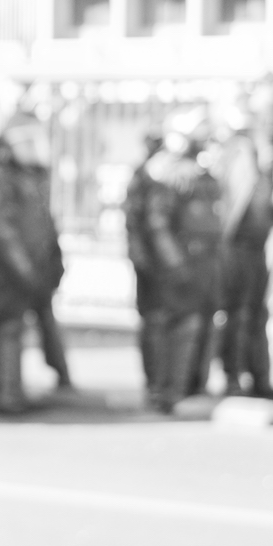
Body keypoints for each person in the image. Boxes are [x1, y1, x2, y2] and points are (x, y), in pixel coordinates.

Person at [0, 110, 71, 415]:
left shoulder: (32, 178)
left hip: (35, 267)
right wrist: (24, 269)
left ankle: (51, 379)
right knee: (9, 330)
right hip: (10, 273)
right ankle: (6, 395)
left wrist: (54, 261)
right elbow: (3, 232)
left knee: (37, 326)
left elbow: (45, 224)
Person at [143, 106, 223, 414]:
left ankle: (191, 388)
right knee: (178, 327)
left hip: (206, 266)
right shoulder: (169, 173)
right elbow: (158, 225)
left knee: (202, 327)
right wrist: (175, 264)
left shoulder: (202, 173)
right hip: (182, 267)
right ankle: (169, 392)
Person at [213, 95, 273, 401]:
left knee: (257, 314)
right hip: (236, 247)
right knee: (238, 314)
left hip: (256, 248)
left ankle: (259, 378)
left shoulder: (261, 155)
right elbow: (231, 204)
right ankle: (234, 377)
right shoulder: (234, 153)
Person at [123, 128, 165, 406]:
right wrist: (141, 258)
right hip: (150, 262)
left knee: (158, 321)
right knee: (153, 321)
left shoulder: (153, 174)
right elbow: (135, 221)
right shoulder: (146, 176)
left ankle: (161, 382)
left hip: (155, 261)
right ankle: (155, 383)